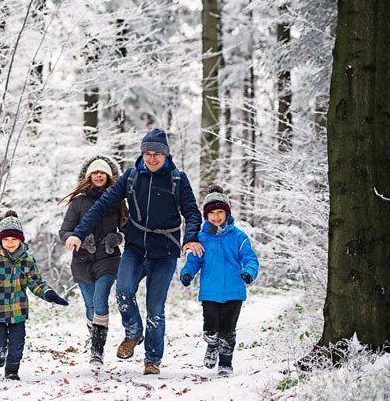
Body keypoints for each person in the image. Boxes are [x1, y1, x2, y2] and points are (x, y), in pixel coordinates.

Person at [64, 128, 202, 375]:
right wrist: (79, 232)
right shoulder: (130, 177)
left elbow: (191, 212)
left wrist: (190, 237)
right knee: (124, 290)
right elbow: (101, 205)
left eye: (157, 154)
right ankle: (133, 333)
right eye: (147, 153)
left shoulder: (177, 179)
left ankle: (152, 360)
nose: (151, 158)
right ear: (141, 153)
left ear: (165, 155)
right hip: (136, 248)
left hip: (165, 251)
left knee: (155, 307)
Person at [0, 210, 69, 380]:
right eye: (6, 239)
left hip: (18, 311)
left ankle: (12, 372)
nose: (10, 243)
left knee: (17, 345)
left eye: (14, 239)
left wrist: (49, 294)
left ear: (20, 240)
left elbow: (35, 282)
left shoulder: (27, 260)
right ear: (0, 239)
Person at [179, 185, 259, 376]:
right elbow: (194, 260)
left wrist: (249, 272)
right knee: (210, 327)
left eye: (220, 212)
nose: (216, 216)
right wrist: (187, 273)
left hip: (234, 292)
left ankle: (225, 362)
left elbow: (250, 258)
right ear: (206, 215)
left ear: (227, 213)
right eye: (212, 213)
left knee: (228, 331)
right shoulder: (201, 238)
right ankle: (211, 345)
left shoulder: (238, 237)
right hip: (210, 292)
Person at [58, 155, 126, 366]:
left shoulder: (117, 201)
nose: (98, 175)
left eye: (102, 173)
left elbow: (127, 229)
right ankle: (96, 337)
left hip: (108, 257)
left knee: (100, 299)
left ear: (108, 177)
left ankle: (97, 350)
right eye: (95, 172)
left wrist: (118, 237)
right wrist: (74, 238)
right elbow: (64, 230)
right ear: (89, 177)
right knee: (89, 306)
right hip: (82, 260)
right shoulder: (78, 202)